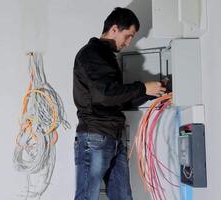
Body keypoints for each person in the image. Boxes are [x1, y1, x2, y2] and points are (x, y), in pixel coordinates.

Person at [72, 7, 166, 200]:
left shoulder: (105, 56)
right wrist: (142, 88)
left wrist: (154, 92)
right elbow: (104, 95)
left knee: (123, 196)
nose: (129, 42)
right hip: (95, 137)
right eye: (128, 35)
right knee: (86, 197)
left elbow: (118, 99)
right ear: (114, 29)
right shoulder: (92, 54)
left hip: (112, 137)